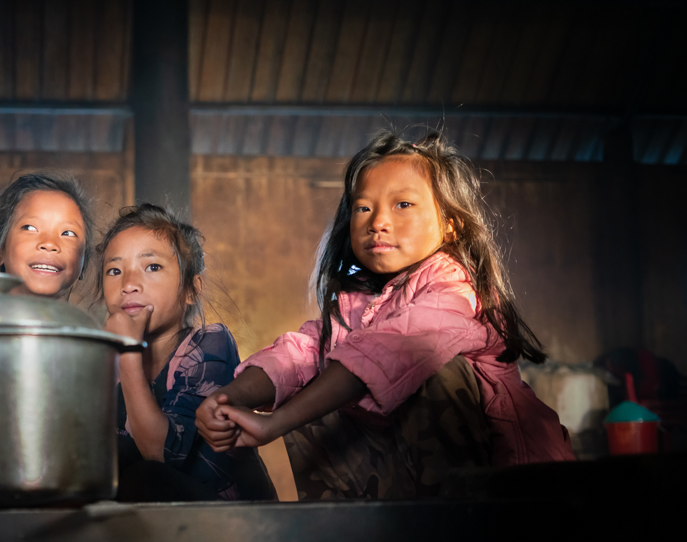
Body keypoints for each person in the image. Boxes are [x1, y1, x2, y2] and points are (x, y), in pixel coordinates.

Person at [196, 131, 574, 501]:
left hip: (510, 496)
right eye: (364, 207)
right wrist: (230, 398)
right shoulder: (356, 300)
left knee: (427, 366)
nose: (378, 221)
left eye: (403, 205)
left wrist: (276, 423)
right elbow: (302, 352)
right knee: (317, 368)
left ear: (450, 224)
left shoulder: (455, 289)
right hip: (407, 486)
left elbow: (390, 349)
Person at [99, 204, 275, 503]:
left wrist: (128, 352)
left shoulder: (209, 344)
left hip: (227, 525)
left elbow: (160, 455)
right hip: (151, 526)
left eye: (152, 267)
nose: (128, 284)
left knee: (144, 475)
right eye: (114, 270)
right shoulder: (104, 362)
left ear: (191, 290)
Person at [0, 172, 95, 300]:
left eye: (68, 233)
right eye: (30, 228)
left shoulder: (87, 321)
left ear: (84, 260)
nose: (49, 244)